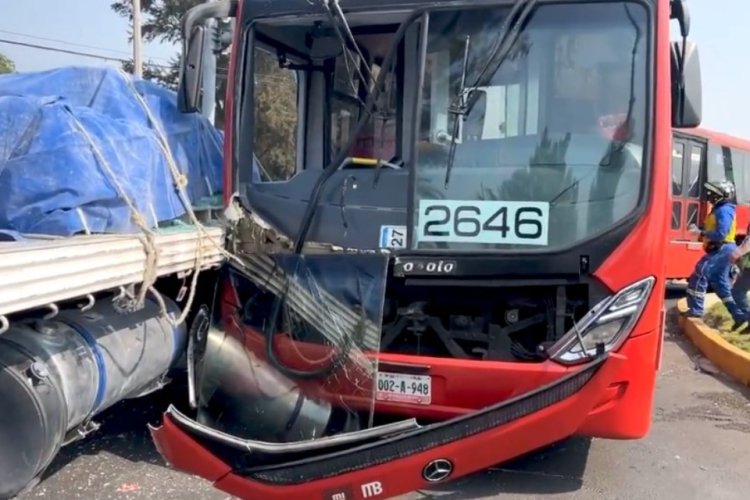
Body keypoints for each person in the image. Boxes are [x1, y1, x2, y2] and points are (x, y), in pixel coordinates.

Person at [685, 179, 744, 327]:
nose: (709, 196)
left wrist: (701, 232)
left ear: (721, 195)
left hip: (722, 248)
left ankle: (696, 310)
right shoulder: (720, 209)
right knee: (721, 284)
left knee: (700, 273)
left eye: (712, 193)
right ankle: (739, 315)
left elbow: (721, 233)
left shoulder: (724, 210)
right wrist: (700, 230)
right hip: (721, 248)